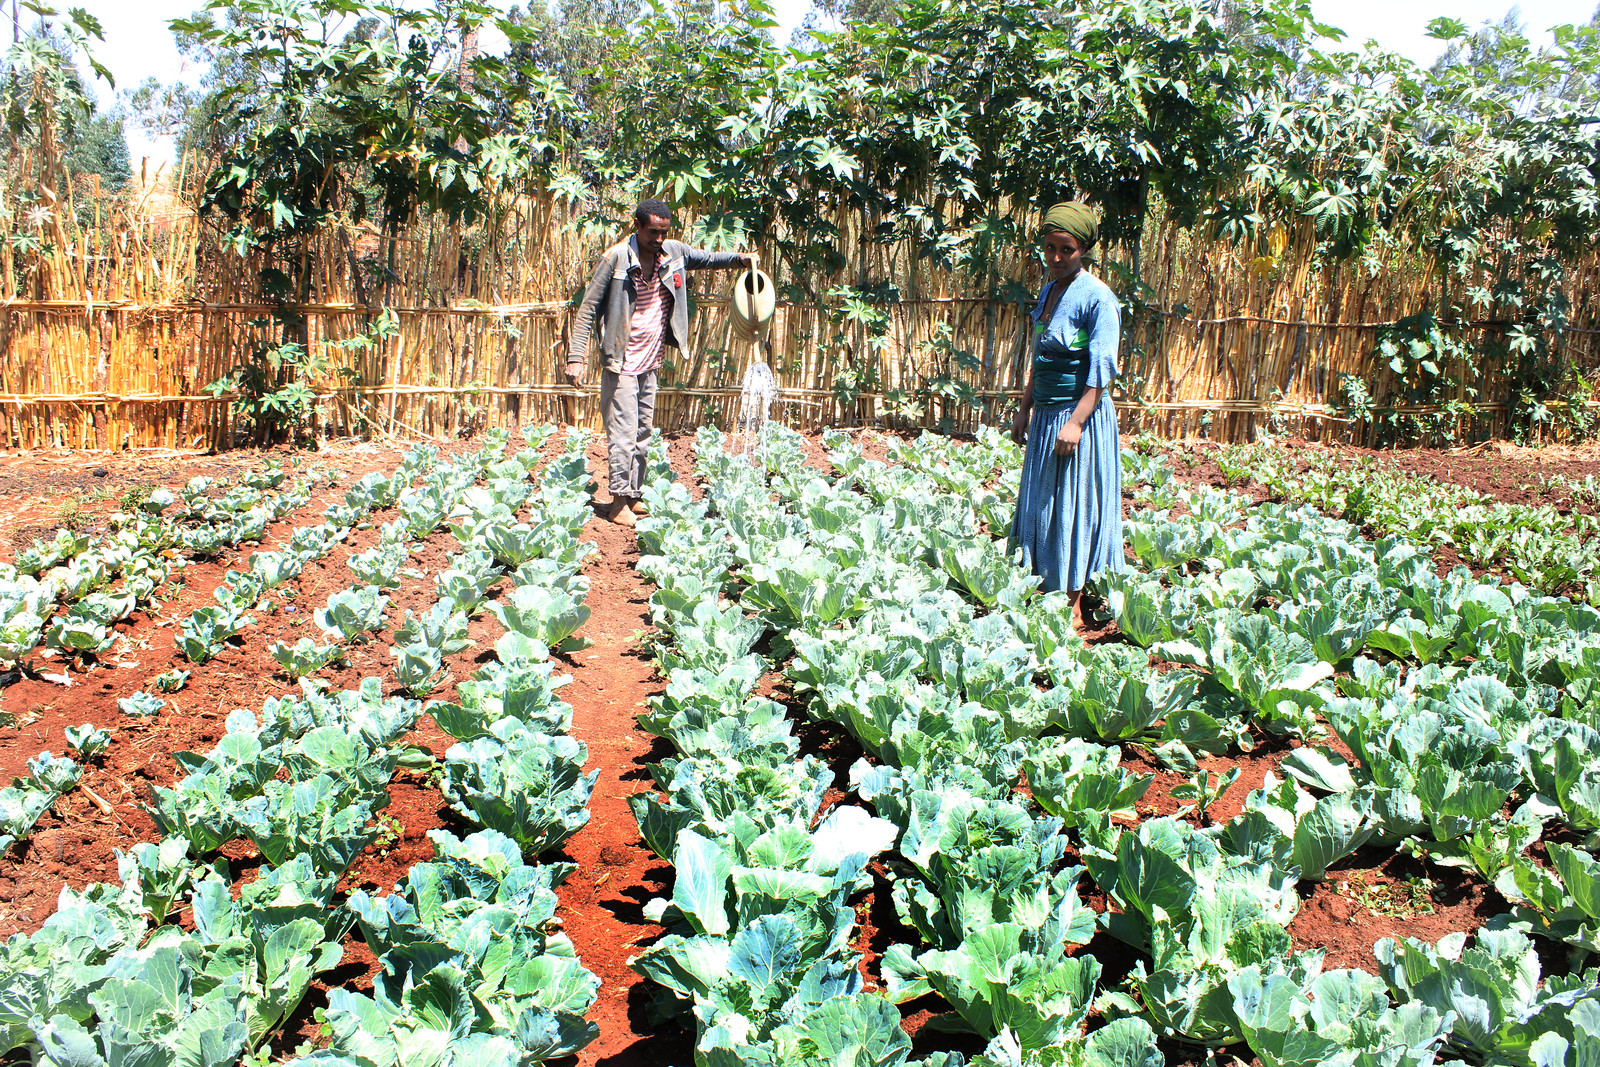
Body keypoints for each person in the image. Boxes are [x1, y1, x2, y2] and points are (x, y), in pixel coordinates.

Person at [566, 199, 757, 525]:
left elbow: (708, 258)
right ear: (637, 227)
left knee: (642, 433)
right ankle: (617, 503)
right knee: (623, 435)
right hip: (621, 362)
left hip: (651, 359)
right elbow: (587, 310)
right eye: (652, 231)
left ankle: (634, 495)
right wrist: (575, 359)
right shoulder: (616, 259)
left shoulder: (673, 253)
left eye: (663, 232)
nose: (658, 238)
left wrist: (739, 260)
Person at [1010, 200, 1125, 627]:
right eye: (1050, 248)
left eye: (1066, 250)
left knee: (1070, 507)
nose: (1055, 258)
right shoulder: (1048, 291)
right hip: (1045, 415)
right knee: (1042, 504)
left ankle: (1074, 602)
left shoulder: (1098, 298)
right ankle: (1042, 585)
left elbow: (1100, 372)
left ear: (1084, 250)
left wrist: (1075, 423)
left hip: (1079, 419)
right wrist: (1024, 408)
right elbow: (1039, 355)